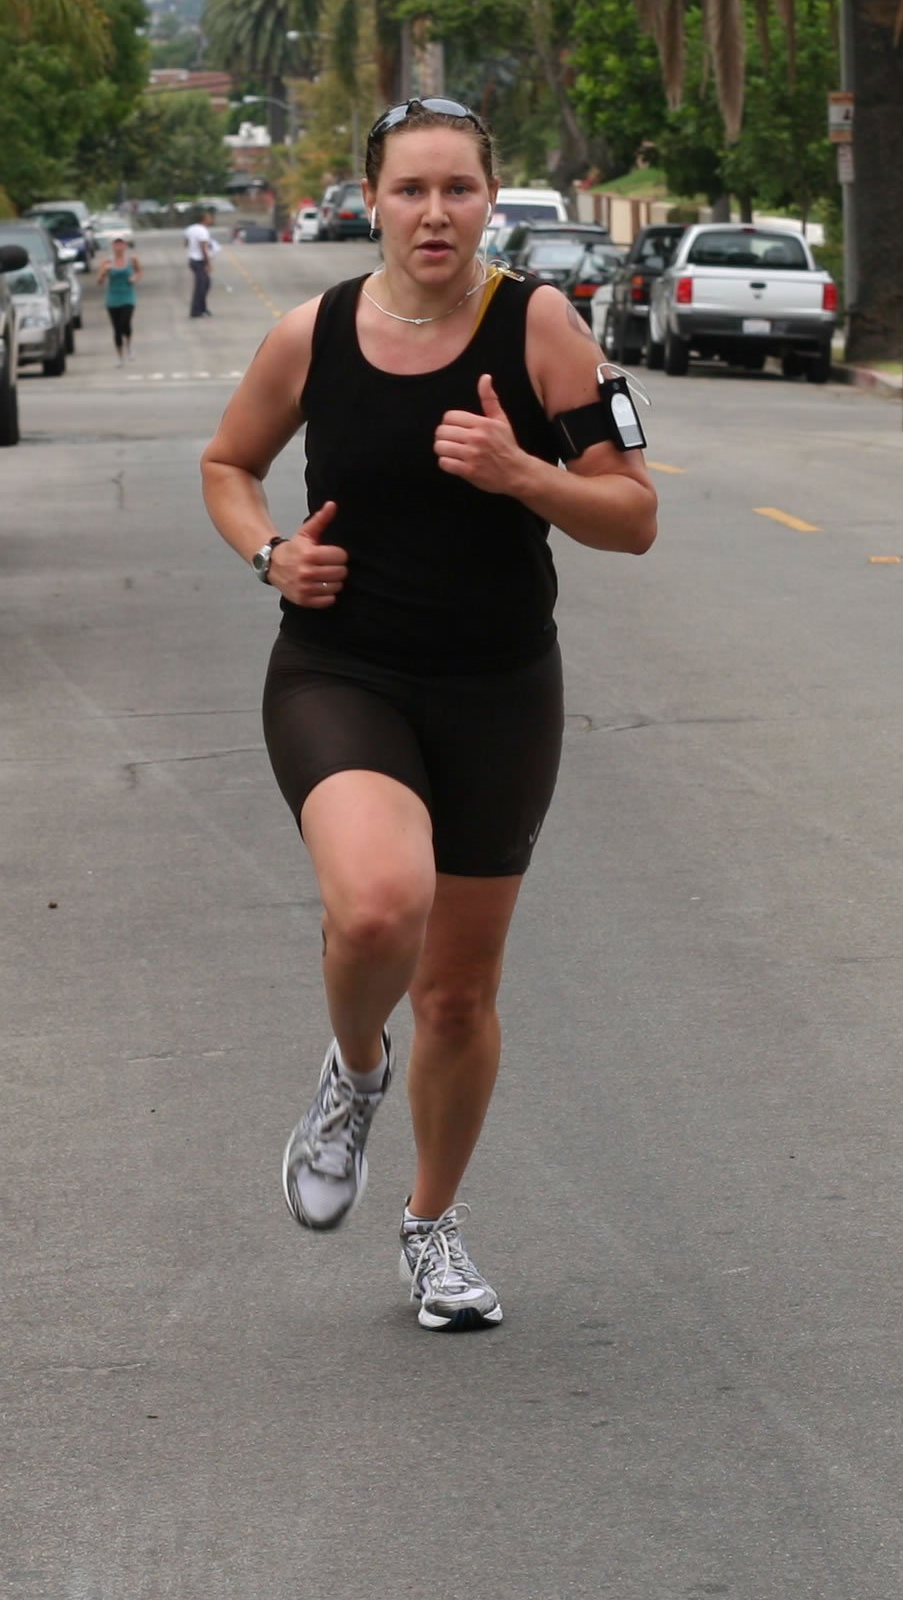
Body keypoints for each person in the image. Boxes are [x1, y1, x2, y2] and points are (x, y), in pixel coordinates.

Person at [198, 100, 657, 1330]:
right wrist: (270, 554)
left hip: (499, 688)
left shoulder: (541, 327)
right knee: (377, 904)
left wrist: (523, 473)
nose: (436, 213)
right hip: (340, 671)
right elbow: (227, 465)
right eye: (411, 189)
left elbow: (634, 513)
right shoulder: (313, 334)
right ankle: (355, 1070)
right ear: (372, 200)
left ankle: (430, 1224)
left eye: (459, 188)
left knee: (456, 993)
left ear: (491, 199)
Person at [99, 233, 138, 363]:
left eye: (121, 243)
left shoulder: (132, 259)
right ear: (112, 246)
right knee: (116, 328)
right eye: (116, 243)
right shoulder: (107, 261)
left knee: (125, 322)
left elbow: (139, 271)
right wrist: (104, 272)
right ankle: (119, 357)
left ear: (125, 245)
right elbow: (99, 281)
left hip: (128, 296)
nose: (119, 246)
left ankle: (129, 345)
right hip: (113, 299)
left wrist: (134, 277)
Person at [184, 212, 220, 318]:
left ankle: (202, 308)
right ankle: (195, 311)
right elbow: (203, 247)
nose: (211, 219)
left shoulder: (190, 229)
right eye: (209, 217)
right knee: (200, 287)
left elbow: (186, 243)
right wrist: (208, 263)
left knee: (206, 284)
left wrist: (192, 249)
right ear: (204, 219)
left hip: (192, 260)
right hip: (199, 260)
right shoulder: (203, 231)